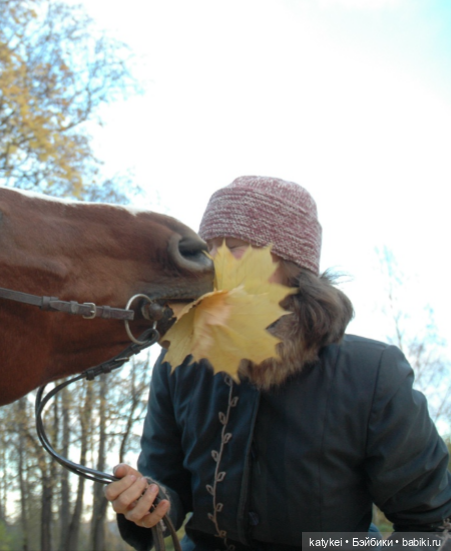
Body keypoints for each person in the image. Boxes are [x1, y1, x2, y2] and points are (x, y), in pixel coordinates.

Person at [106, 176, 451, 551]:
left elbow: (430, 527)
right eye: (208, 249)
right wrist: (147, 503)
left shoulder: (372, 371)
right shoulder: (179, 365)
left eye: (234, 247)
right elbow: (168, 484)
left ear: (290, 264)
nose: (213, 263)